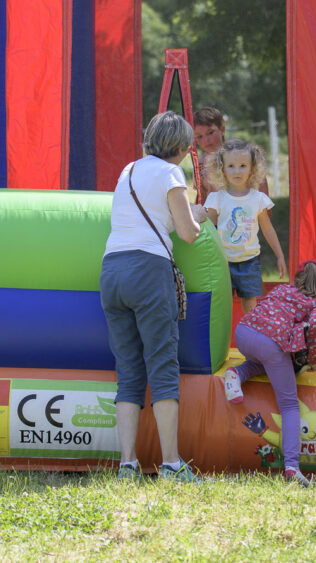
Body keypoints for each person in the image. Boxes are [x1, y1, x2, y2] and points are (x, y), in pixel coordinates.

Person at [101, 111, 208, 482]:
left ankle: (127, 464)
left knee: (128, 370)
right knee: (162, 365)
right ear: (180, 148)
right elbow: (188, 233)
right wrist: (200, 215)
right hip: (148, 271)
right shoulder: (171, 173)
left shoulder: (128, 169)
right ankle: (171, 464)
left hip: (112, 270)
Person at [222, 259, 316, 486]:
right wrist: (314, 360)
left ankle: (236, 374)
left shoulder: (283, 289)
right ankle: (292, 466)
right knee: (289, 405)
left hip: (243, 332)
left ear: (297, 279)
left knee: (270, 364)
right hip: (270, 344)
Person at [204, 139, 288, 313]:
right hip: (223, 260)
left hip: (250, 261)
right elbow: (208, 230)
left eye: (243, 166)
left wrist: (280, 255)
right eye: (231, 166)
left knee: (250, 303)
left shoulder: (258, 199)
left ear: (252, 168)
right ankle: (224, 332)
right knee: (222, 303)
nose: (237, 171)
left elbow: (268, 229)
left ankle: (250, 330)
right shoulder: (217, 198)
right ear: (222, 168)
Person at [193, 106, 271, 206]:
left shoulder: (243, 157)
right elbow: (201, 200)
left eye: (210, 132)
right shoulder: (199, 165)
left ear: (222, 130)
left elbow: (263, 198)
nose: (206, 140)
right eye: (199, 136)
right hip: (213, 215)